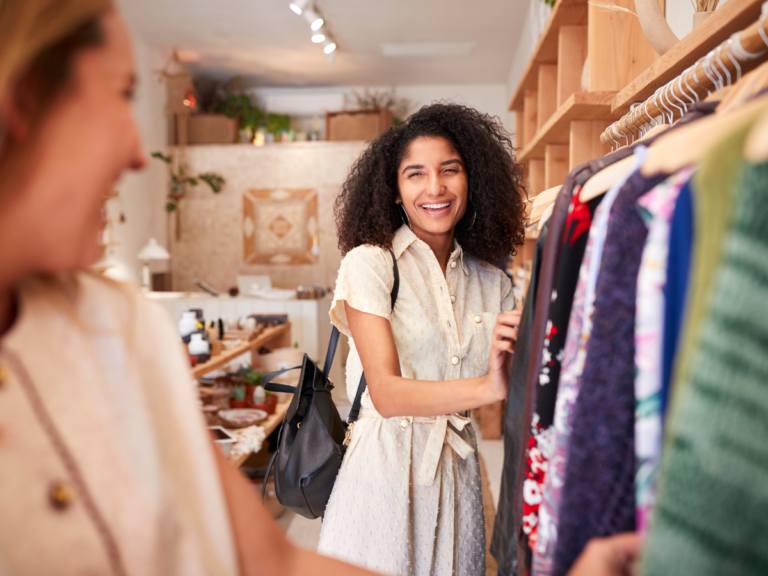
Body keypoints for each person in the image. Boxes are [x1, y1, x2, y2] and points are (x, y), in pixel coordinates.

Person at [0, 1, 379, 574]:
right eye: (122, 94)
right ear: (23, 99)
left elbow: (273, 562)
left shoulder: (120, 325)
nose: (136, 153)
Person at [317, 103, 527, 575]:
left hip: (458, 476)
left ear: (472, 181)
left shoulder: (493, 282)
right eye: (416, 174)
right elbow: (387, 394)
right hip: (382, 475)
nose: (435, 187)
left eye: (449, 170)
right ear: (394, 190)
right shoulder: (370, 265)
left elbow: (520, 379)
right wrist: (488, 388)